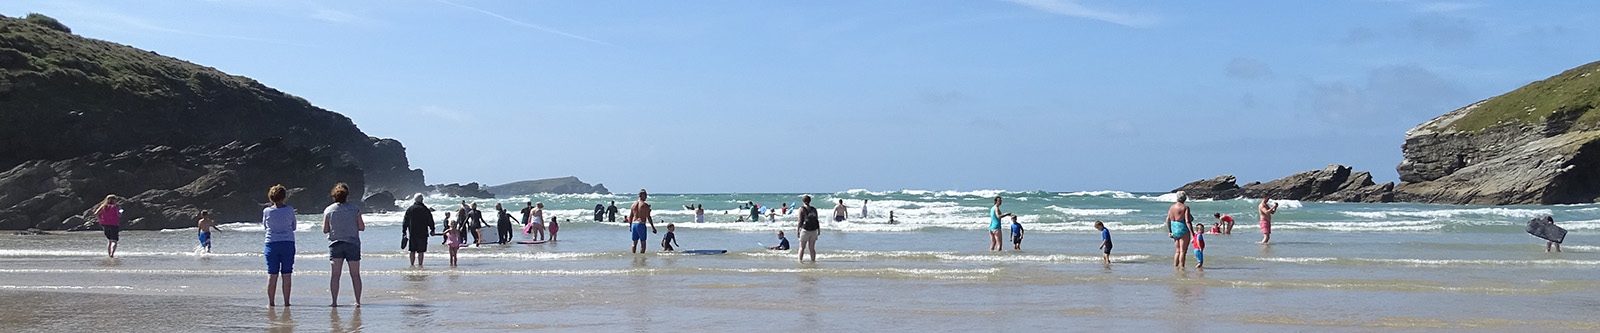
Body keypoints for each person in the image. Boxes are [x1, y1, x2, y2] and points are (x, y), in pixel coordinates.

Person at [322, 183, 366, 307]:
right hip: (352, 243)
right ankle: (357, 301)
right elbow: (361, 227)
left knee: (335, 275)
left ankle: (334, 302)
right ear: (347, 196)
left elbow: (325, 230)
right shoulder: (355, 209)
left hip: (336, 244)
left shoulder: (329, 210)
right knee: (355, 275)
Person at [262, 185, 297, 307]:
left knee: (272, 274)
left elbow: (265, 226)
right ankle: (287, 302)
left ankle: (271, 302)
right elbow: (294, 227)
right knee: (287, 274)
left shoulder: (267, 211)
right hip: (287, 243)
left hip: (271, 243)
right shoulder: (290, 210)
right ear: (284, 197)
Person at [402, 194, 434, 267]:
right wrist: (432, 229)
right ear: (422, 200)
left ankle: (412, 265)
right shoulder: (425, 209)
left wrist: (404, 231)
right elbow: (430, 220)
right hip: (422, 233)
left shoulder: (410, 209)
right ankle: (420, 265)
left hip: (412, 233)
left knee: (412, 250)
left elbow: (405, 221)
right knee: (421, 251)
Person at [626, 189, 659, 253]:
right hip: (641, 224)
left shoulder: (633, 205)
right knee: (643, 243)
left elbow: (630, 216)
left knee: (634, 243)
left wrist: (630, 226)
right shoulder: (645, 205)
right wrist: (653, 227)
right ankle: (642, 260)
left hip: (634, 224)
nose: (646, 197)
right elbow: (648, 217)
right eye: (645, 195)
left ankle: (634, 257)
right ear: (641, 195)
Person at [1168, 191, 1194, 268]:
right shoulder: (1185, 207)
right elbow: (1187, 221)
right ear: (1185, 198)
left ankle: (1175, 266)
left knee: (1177, 251)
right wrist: (1192, 233)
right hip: (1182, 228)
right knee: (1183, 251)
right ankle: (1182, 267)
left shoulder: (1172, 207)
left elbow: (1168, 219)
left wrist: (1170, 231)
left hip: (1174, 228)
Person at [796, 195, 821, 263]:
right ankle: (813, 261)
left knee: (802, 247)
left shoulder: (801, 209)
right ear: (810, 201)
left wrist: (798, 231)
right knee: (812, 248)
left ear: (803, 201)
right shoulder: (814, 209)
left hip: (805, 230)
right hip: (814, 230)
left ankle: (800, 261)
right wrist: (818, 230)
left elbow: (800, 221)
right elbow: (817, 220)